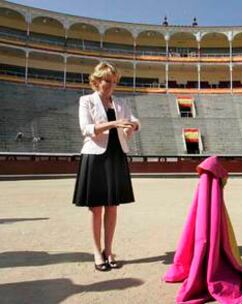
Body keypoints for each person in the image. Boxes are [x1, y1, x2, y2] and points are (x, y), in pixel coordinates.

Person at [72, 61, 140, 271]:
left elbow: (133, 120)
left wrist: (133, 126)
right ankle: (96, 251)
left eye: (113, 82)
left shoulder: (120, 102)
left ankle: (108, 250)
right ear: (96, 81)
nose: (110, 85)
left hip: (116, 155)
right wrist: (114, 124)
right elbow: (87, 129)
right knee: (96, 209)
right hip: (95, 156)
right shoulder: (86, 100)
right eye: (106, 81)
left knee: (112, 206)